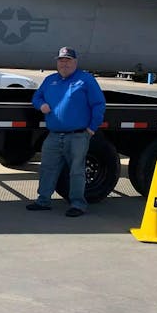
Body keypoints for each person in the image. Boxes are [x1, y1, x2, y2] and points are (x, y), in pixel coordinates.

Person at [26, 47, 106, 217]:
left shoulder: (85, 80)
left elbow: (98, 104)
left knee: (76, 171)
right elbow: (36, 97)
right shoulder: (50, 80)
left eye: (68, 60)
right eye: (61, 60)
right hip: (54, 135)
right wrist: (41, 105)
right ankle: (43, 200)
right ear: (57, 63)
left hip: (77, 135)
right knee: (47, 168)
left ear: (75, 62)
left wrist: (92, 128)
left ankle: (77, 204)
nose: (64, 63)